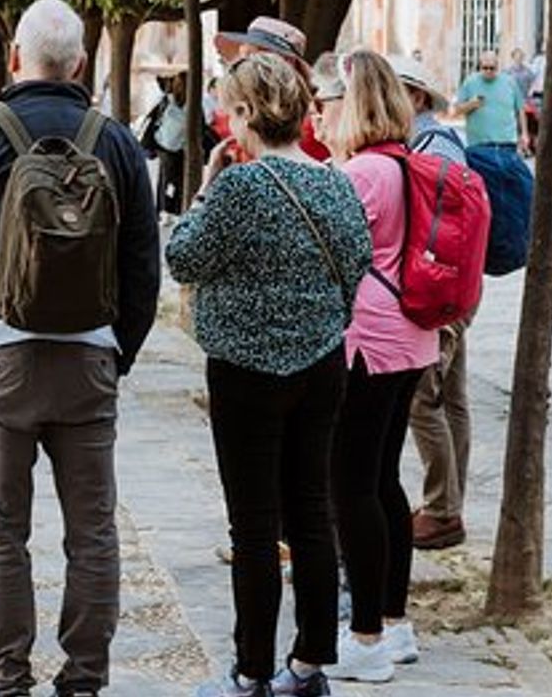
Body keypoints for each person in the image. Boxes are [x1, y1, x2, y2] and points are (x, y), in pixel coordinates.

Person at [0, 0, 160, 697]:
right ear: (81, 64)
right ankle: (84, 679)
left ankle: (6, 680)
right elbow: (143, 261)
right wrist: (120, 350)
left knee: (0, 533)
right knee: (93, 533)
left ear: (16, 59)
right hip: (87, 356)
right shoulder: (113, 140)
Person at [168, 54, 373, 697]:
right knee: (310, 512)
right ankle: (310, 664)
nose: (226, 116)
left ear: (249, 115)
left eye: (230, 106)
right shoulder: (335, 183)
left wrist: (205, 185)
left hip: (244, 371)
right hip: (321, 364)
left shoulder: (236, 188)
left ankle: (252, 670)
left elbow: (182, 257)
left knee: (253, 526)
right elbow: (359, 261)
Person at [322, 51, 440, 684]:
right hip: (413, 337)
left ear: (354, 104)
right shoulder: (404, 163)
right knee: (386, 481)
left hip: (368, 341)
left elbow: (330, 256)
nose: (323, 110)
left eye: (332, 100)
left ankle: (364, 636)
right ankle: (395, 623)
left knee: (350, 486)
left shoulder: (361, 173)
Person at [372, 55, 474, 552]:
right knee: (450, 396)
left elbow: (440, 226)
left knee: (424, 397)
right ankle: (448, 504)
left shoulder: (432, 147)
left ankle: (441, 509)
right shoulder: (438, 141)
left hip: (442, 287)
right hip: (456, 286)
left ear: (413, 98)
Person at [216, 16, 331, 162]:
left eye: (252, 56)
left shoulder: (310, 124)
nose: (243, 65)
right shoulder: (246, 114)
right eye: (244, 56)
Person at [451, 51, 528, 154]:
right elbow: (456, 111)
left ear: (497, 67)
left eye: (492, 68)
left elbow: (521, 109)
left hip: (506, 143)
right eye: (485, 68)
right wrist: (471, 104)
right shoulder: (470, 82)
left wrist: (524, 134)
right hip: (478, 144)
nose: (488, 71)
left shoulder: (510, 82)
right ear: (480, 66)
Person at [139, 73, 190, 217]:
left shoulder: (167, 99)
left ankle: (163, 208)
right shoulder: (191, 100)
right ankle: (174, 208)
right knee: (178, 180)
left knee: (165, 180)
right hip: (181, 148)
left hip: (165, 147)